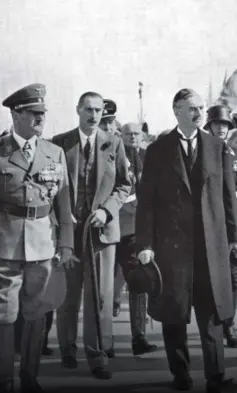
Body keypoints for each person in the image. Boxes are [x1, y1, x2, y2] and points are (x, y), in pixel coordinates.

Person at [135, 88, 237, 392]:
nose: (199, 113)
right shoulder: (158, 150)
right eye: (192, 108)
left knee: (212, 314)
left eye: (201, 107)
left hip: (211, 246)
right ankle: (180, 374)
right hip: (172, 248)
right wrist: (145, 244)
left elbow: (228, 197)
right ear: (177, 110)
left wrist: (235, 238)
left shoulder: (217, 147)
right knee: (174, 313)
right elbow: (148, 202)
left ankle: (216, 376)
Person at [0, 84, 74, 392]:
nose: (40, 119)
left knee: (35, 311)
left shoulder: (53, 152)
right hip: (5, 242)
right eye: (33, 113)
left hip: (43, 243)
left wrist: (67, 243)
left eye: (43, 113)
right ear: (16, 115)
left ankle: (30, 378)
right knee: (5, 312)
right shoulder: (1, 150)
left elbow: (64, 203)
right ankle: (5, 379)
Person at [53, 92, 131, 379]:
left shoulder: (114, 143)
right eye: (88, 109)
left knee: (99, 296)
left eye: (98, 110)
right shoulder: (59, 143)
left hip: (102, 233)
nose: (94, 115)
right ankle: (67, 350)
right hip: (69, 233)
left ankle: (97, 357)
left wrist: (107, 211)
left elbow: (123, 185)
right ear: (77, 109)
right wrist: (61, 214)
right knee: (68, 295)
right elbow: (48, 187)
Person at [112, 123, 157, 356]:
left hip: (136, 229)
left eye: (137, 134)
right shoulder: (113, 153)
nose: (133, 137)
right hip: (114, 225)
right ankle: (103, 340)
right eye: (129, 134)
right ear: (121, 136)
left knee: (138, 281)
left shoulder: (147, 156)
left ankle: (138, 336)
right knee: (107, 287)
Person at [205, 104, 237, 349]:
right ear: (209, 126)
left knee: (234, 276)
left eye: (226, 125)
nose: (222, 129)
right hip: (209, 222)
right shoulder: (203, 151)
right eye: (218, 124)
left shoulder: (236, 155)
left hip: (234, 221)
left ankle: (229, 322)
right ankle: (217, 324)